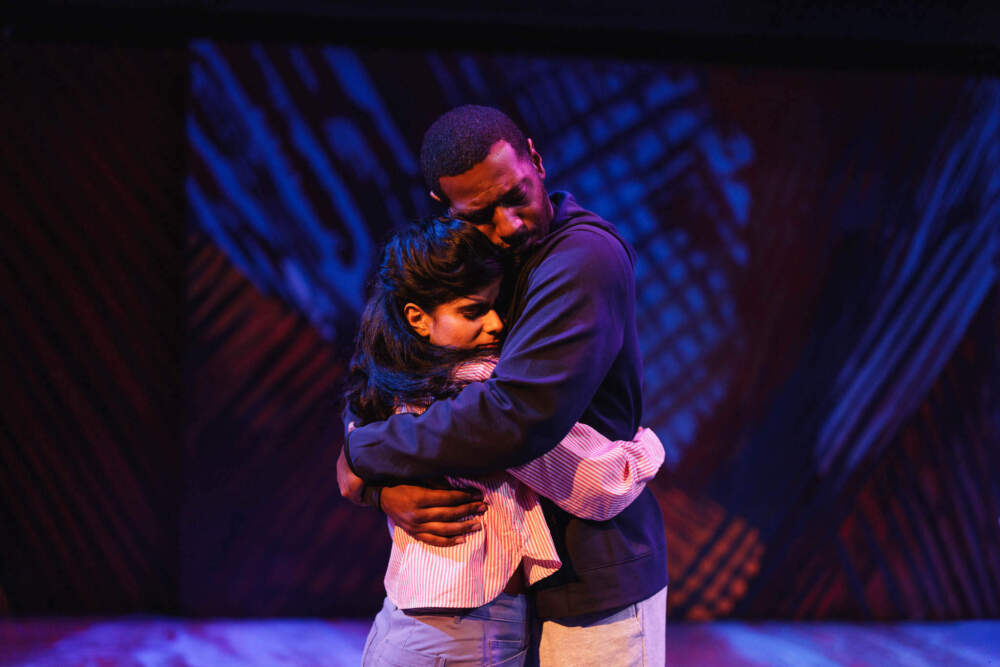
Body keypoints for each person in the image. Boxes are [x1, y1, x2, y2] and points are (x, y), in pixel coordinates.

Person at [339, 105, 669, 666]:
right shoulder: (470, 262)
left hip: (595, 575)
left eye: (516, 195)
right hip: (505, 584)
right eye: (481, 212)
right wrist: (375, 482)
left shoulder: (582, 257)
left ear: (535, 160)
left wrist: (366, 451)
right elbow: (384, 365)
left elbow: (516, 415)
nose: (510, 223)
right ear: (445, 204)